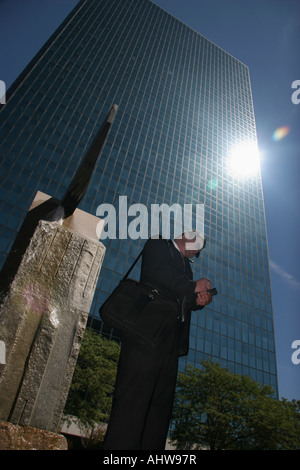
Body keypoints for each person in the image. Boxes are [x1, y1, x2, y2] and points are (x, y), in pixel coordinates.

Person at [102, 232, 213, 450]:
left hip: (171, 342)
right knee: (133, 397)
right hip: (145, 333)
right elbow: (157, 275)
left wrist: (199, 301)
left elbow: (181, 297)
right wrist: (192, 286)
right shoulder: (158, 245)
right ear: (187, 236)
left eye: (198, 252)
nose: (196, 253)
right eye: (197, 248)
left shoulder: (186, 267)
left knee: (159, 406)